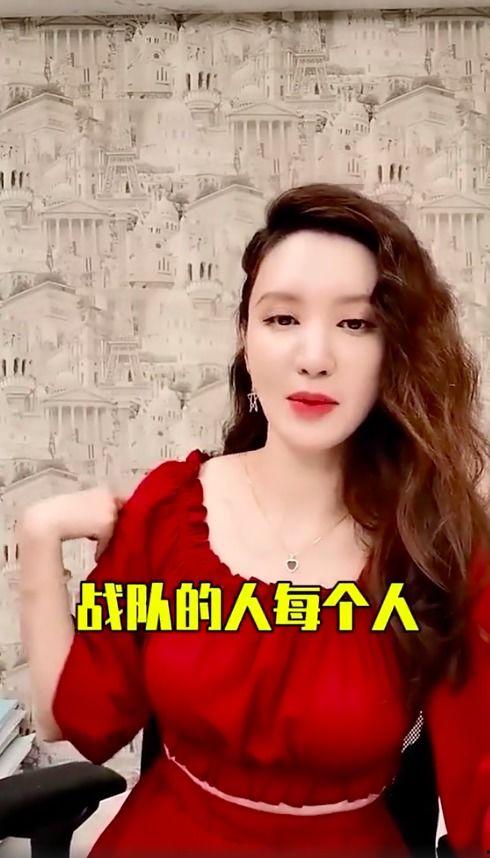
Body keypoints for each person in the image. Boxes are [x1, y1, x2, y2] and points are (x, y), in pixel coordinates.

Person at [18, 183, 490, 857]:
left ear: (396, 349)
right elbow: (72, 718)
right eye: (282, 319)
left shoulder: (438, 546)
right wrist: (38, 539)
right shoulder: (169, 509)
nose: (314, 357)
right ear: (245, 337)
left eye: (355, 324)